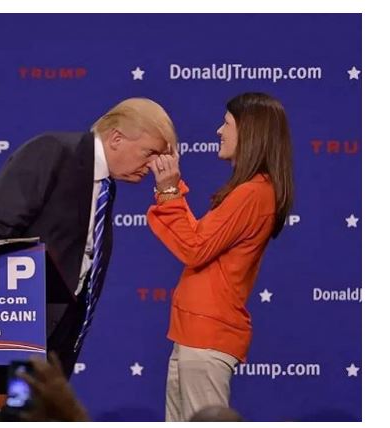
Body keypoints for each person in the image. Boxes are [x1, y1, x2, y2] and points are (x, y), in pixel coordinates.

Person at [0, 98, 177, 377]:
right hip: (15, 329)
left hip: (59, 336)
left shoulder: (105, 184)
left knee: (36, 405)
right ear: (116, 139)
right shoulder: (53, 152)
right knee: (7, 405)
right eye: (149, 153)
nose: (152, 165)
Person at [146, 92, 294, 421]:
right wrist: (170, 189)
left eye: (227, 123)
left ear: (250, 131)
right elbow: (198, 240)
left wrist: (169, 191)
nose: (218, 131)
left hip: (206, 337)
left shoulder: (253, 193)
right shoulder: (252, 191)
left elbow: (194, 249)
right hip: (194, 334)